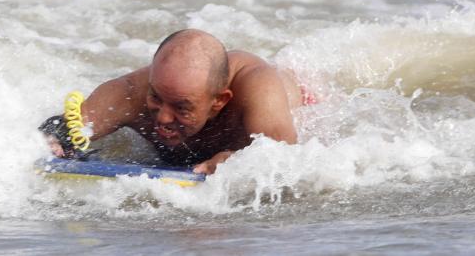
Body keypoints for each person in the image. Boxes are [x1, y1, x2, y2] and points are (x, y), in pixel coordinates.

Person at [40, 29, 309, 175]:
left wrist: (236, 161)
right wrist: (56, 139)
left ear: (219, 102)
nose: (163, 118)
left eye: (182, 108)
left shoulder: (257, 89)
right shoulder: (131, 93)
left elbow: (285, 158)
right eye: (156, 98)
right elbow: (68, 126)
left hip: (306, 98)